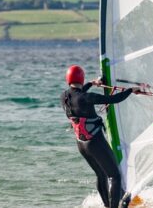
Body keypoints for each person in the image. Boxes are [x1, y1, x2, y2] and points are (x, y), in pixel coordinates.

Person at [60, 65, 137, 208]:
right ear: (81, 79)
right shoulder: (87, 97)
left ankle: (108, 205)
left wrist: (92, 83)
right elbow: (114, 99)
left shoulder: (64, 96)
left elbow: (78, 94)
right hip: (95, 142)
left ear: (68, 79)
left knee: (101, 175)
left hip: (81, 144)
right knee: (115, 176)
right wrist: (131, 90)